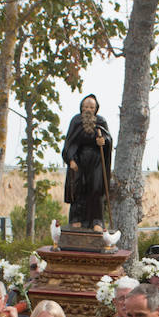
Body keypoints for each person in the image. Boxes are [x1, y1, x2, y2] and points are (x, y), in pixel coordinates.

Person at [62, 93, 112, 230]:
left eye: (91, 107)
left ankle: (96, 221)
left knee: (96, 189)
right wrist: (70, 159)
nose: (88, 110)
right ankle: (76, 219)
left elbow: (108, 139)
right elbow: (70, 142)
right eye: (86, 107)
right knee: (78, 189)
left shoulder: (101, 121)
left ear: (95, 109)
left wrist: (104, 141)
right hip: (79, 160)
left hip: (96, 162)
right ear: (81, 108)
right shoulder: (76, 121)